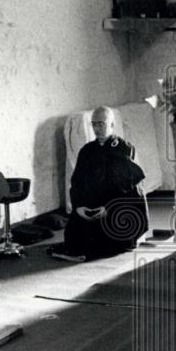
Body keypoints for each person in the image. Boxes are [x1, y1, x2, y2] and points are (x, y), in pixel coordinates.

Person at [51, 107, 148, 262]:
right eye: (94, 124)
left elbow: (131, 190)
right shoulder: (87, 151)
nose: (97, 129)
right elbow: (77, 182)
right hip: (92, 207)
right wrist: (80, 206)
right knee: (75, 232)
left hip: (117, 207)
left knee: (110, 239)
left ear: (112, 124)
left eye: (102, 124)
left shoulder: (124, 149)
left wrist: (109, 208)